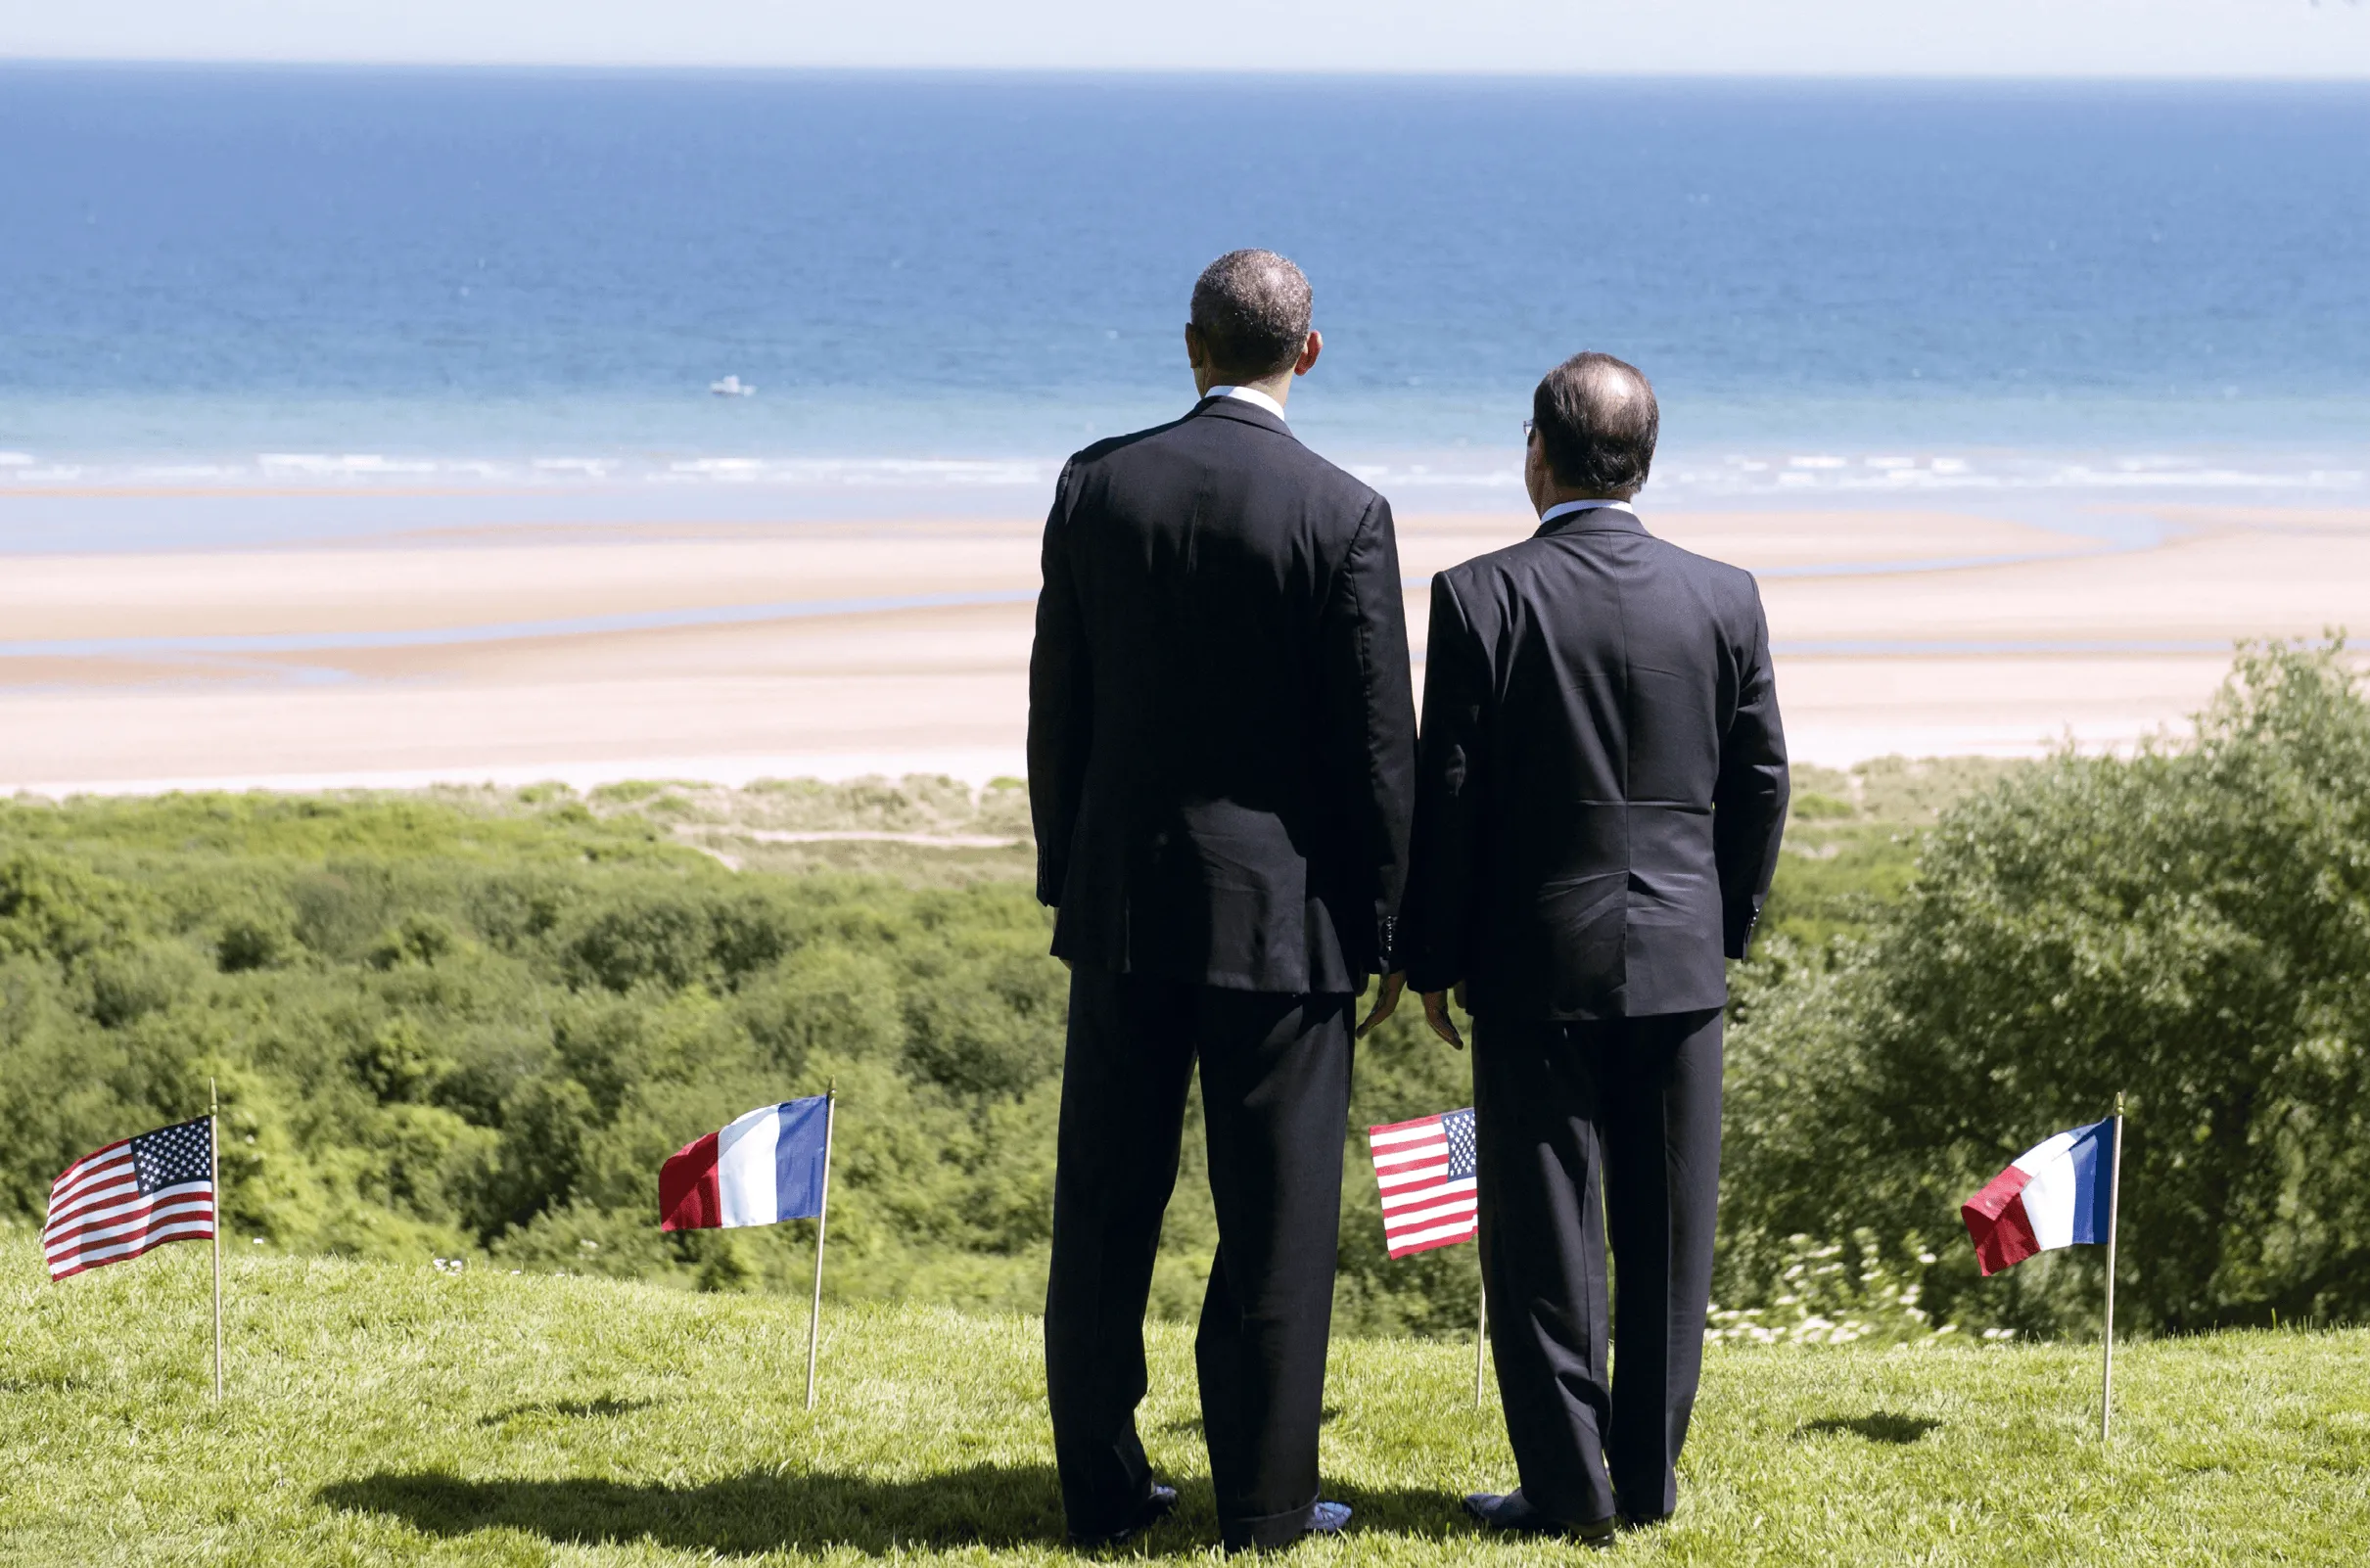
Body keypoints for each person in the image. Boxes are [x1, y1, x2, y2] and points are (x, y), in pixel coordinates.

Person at [1029, 249, 1417, 1552]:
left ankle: (1099, 1493)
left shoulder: (1096, 485)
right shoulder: (1344, 511)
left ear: (1188, 344)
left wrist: (1063, 877)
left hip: (1125, 908)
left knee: (1101, 1212)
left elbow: (1057, 712)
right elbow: (1378, 749)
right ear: (1307, 352)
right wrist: (1388, 931)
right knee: (1276, 1223)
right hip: (1283, 920)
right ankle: (1261, 1500)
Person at [1365, 351, 1788, 1545]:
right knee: (1667, 1242)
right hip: (1678, 961)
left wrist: (1429, 955)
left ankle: (1568, 1490)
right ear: (1645, 460)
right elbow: (1763, 784)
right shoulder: (1725, 595)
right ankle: (1645, 1483)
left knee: (1544, 1239)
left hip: (1534, 961)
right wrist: (1724, 928)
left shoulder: (1480, 595)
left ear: (1537, 452)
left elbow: (1447, 796)